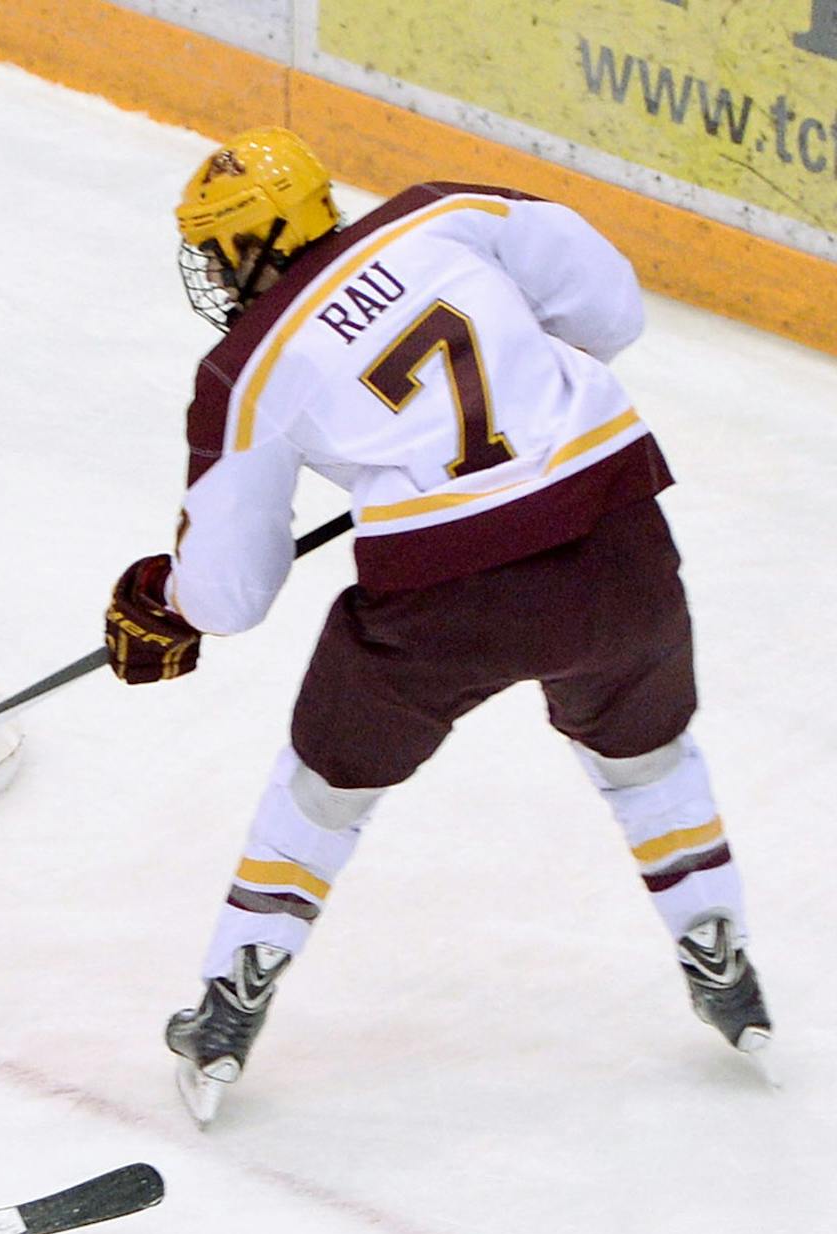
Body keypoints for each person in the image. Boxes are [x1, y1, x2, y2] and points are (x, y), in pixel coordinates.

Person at [103, 128, 770, 1125]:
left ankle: (234, 992)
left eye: (215, 247)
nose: (209, 270)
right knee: (647, 750)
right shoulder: (444, 213)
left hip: (450, 599)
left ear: (252, 245)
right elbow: (612, 307)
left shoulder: (247, 368)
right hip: (616, 539)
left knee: (326, 785)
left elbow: (234, 590)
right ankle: (718, 948)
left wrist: (167, 597)